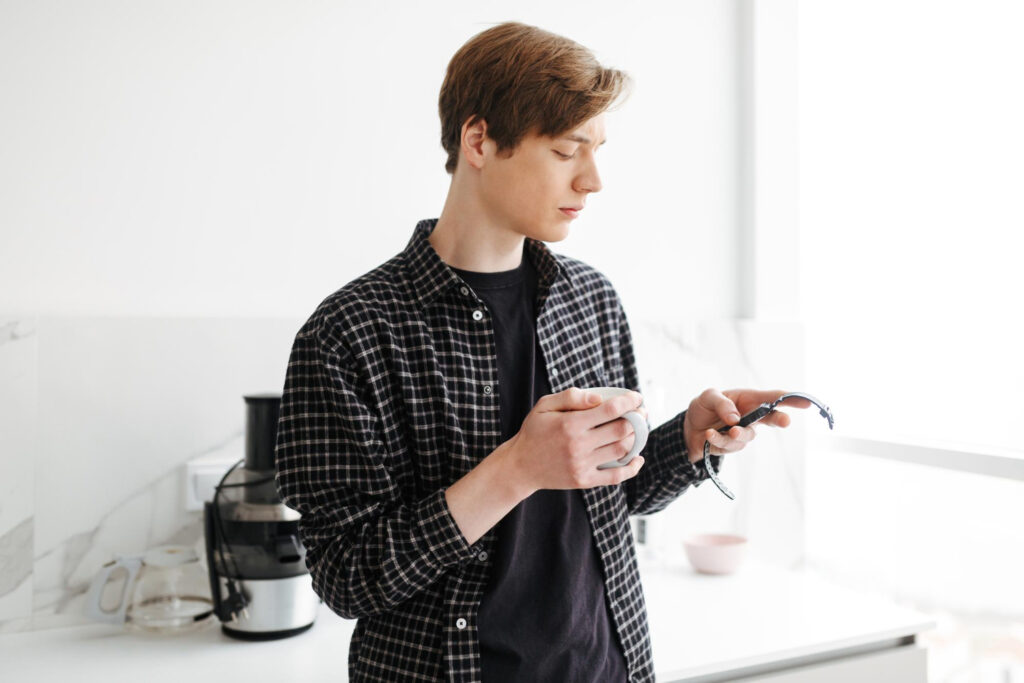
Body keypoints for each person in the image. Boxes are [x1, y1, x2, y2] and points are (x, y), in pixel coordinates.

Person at [274, 20, 804, 683]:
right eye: (566, 150)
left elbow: (614, 489)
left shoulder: (591, 299)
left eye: (598, 149)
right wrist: (515, 468)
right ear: (479, 140)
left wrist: (687, 439)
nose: (593, 180)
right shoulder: (350, 332)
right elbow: (347, 578)